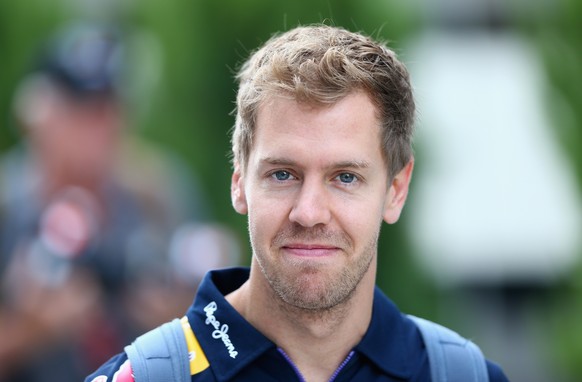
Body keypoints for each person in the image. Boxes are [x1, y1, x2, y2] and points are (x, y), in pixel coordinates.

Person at [87, 24, 510, 381]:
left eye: (345, 177)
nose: (308, 213)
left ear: (396, 190)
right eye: (283, 175)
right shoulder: (143, 377)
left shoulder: (461, 375)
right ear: (239, 183)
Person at [0, 22, 212, 382]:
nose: (96, 130)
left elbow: (222, 334)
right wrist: (28, 330)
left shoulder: (160, 195)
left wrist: (181, 321)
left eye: (108, 109)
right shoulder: (7, 205)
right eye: (78, 110)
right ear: (36, 114)